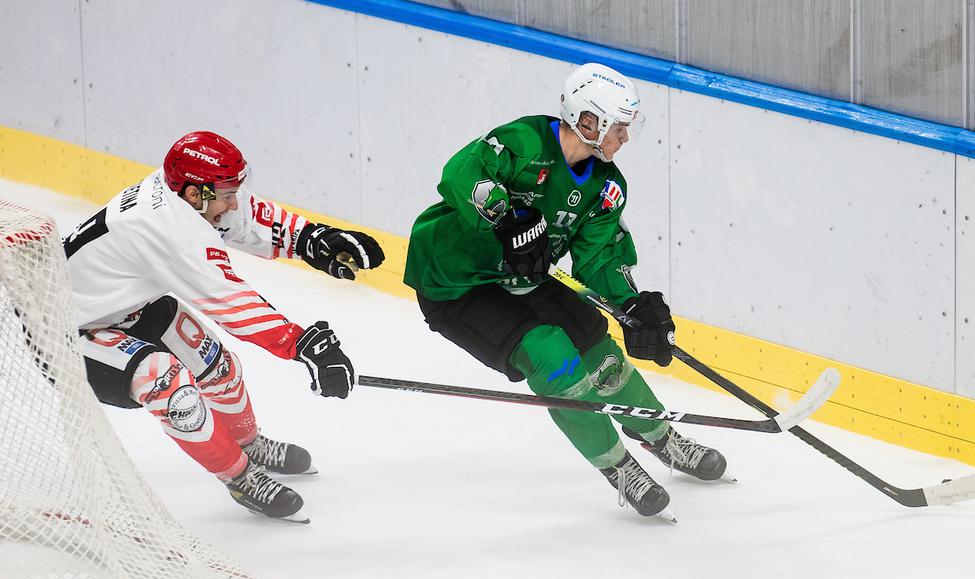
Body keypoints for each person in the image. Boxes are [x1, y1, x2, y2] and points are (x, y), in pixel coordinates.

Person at [404, 63, 729, 519]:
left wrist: (631, 302)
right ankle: (617, 465)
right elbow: (461, 173)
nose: (625, 138)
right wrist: (506, 216)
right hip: (457, 282)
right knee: (552, 354)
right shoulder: (524, 143)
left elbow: (599, 258)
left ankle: (661, 436)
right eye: (619, 127)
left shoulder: (607, 184)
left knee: (599, 349)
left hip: (526, 277)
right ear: (589, 121)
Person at [64, 131, 384, 523]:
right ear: (195, 194)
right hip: (66, 328)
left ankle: (247, 445)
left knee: (219, 368)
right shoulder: (166, 226)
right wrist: (302, 344)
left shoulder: (185, 196)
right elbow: (231, 303)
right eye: (225, 193)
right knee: (170, 387)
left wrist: (311, 239)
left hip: (127, 307)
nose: (232, 202)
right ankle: (240, 476)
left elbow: (242, 216)